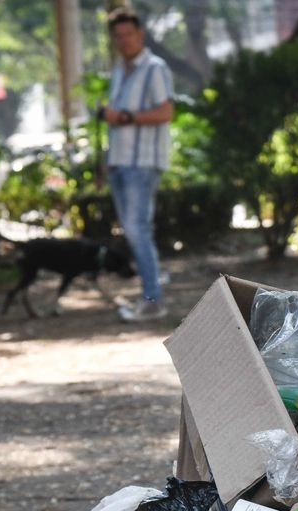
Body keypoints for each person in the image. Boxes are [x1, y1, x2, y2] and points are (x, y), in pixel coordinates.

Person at [102, 6, 174, 322]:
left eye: (129, 34)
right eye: (118, 35)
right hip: (120, 161)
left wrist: (124, 117)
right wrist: (107, 160)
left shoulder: (155, 68)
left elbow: (166, 112)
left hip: (143, 162)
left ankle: (153, 299)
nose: (124, 40)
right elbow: (113, 120)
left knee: (137, 230)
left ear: (140, 34)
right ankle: (150, 292)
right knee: (134, 231)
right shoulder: (119, 70)